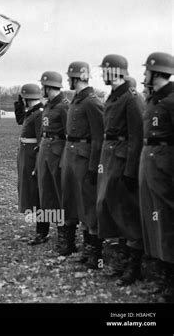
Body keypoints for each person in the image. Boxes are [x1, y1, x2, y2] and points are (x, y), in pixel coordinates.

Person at [97, 54, 144, 286]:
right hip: (110, 156)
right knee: (111, 207)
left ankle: (133, 267)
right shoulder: (113, 97)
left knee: (127, 212)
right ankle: (120, 259)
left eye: (105, 70)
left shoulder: (131, 98)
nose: (101, 74)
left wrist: (131, 170)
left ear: (115, 71)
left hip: (123, 158)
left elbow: (138, 136)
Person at [60, 62, 104, 266]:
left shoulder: (91, 103)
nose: (68, 80)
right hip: (71, 156)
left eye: (70, 77)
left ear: (75, 78)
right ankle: (86, 249)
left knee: (88, 205)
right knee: (75, 202)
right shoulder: (77, 101)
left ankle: (94, 252)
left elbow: (98, 138)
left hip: (85, 159)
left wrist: (94, 166)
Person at [139, 52, 174, 302]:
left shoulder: (171, 100)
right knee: (155, 218)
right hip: (150, 161)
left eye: (146, 71)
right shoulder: (153, 99)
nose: (144, 75)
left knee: (168, 221)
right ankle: (161, 278)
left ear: (156, 72)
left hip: (165, 165)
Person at [35, 71, 69, 254]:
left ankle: (64, 235)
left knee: (59, 194)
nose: (41, 89)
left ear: (50, 87)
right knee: (45, 193)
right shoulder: (48, 106)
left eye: (43, 86)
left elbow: (69, 135)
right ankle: (43, 232)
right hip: (45, 151)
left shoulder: (64, 107)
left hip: (57, 153)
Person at [14, 84, 46, 245]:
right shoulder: (32, 112)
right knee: (31, 192)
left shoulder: (39, 114)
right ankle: (39, 230)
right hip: (26, 156)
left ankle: (42, 232)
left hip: (33, 157)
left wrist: (37, 165)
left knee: (37, 194)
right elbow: (20, 120)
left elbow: (41, 141)